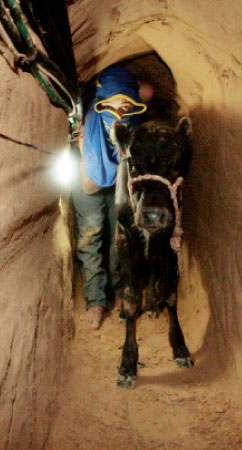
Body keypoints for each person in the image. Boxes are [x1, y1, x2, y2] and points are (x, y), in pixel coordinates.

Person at [71, 66, 150, 330]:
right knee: (91, 234)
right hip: (86, 173)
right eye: (112, 105)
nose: (118, 114)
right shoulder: (88, 122)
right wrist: (84, 151)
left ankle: (118, 291)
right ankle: (96, 300)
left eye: (125, 107)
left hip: (120, 179)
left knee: (119, 235)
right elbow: (89, 185)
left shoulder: (133, 127)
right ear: (100, 101)